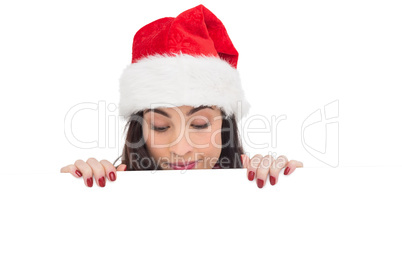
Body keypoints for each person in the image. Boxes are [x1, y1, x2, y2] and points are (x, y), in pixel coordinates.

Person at [60, 4, 303, 188]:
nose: (181, 147)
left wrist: (285, 189)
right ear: (140, 130)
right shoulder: (113, 188)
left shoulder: (252, 187)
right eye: (160, 126)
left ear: (225, 126)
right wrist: (76, 195)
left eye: (200, 124)